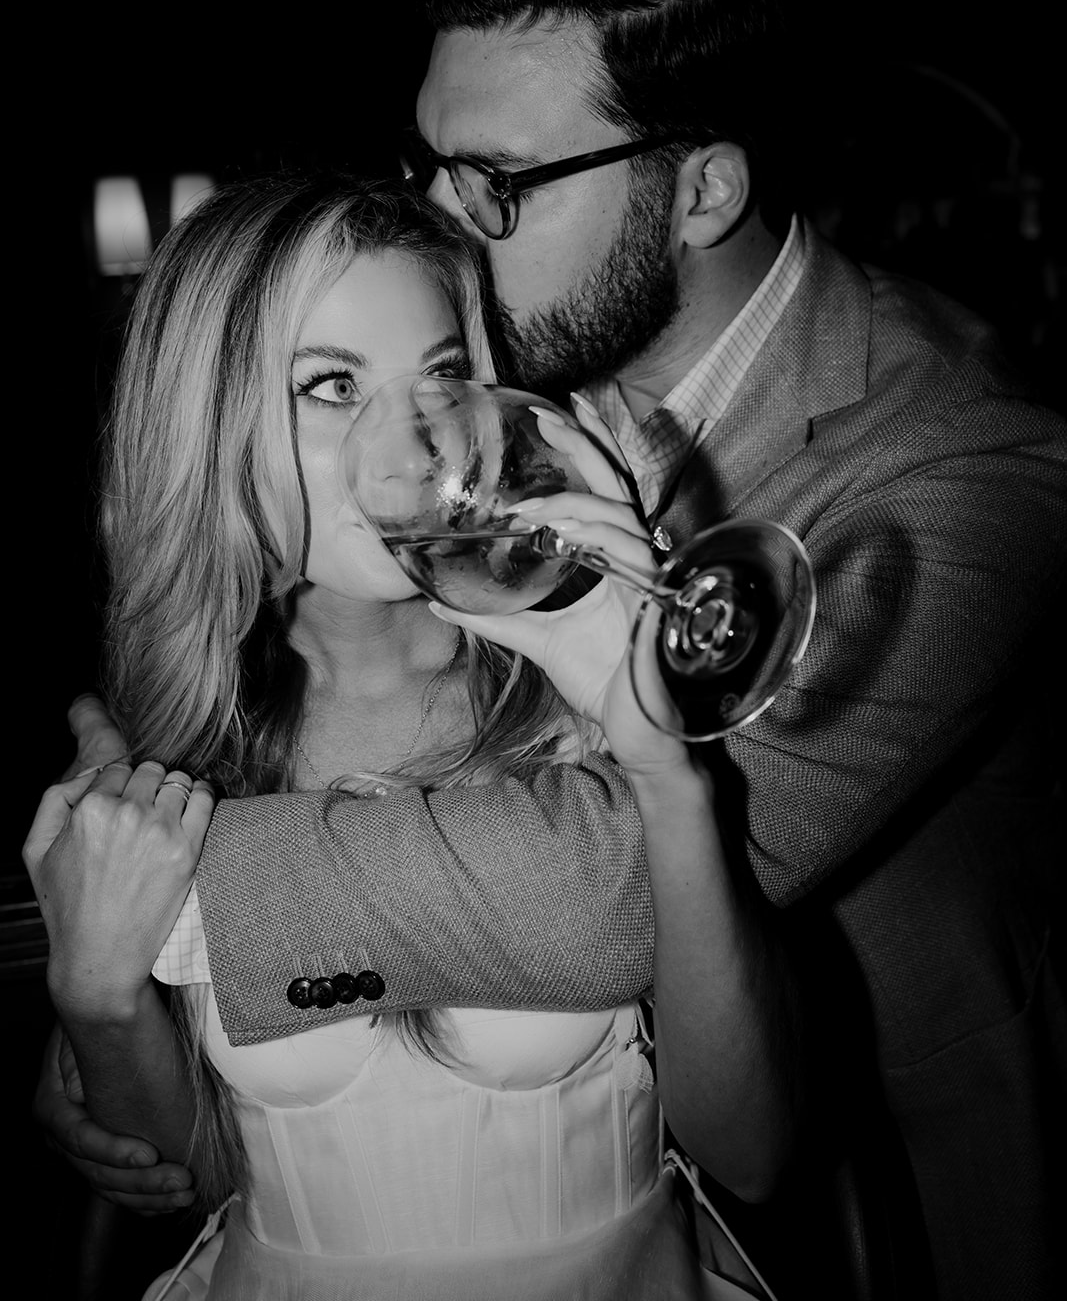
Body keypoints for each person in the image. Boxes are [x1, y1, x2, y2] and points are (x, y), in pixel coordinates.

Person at [43, 0, 1067, 1299]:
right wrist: (114, 1023)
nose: (437, 224)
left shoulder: (976, 467)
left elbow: (599, 888)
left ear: (699, 187)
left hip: (892, 1162)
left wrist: (153, 910)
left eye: (497, 185)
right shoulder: (478, 410)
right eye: (427, 165)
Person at [24, 172, 805, 1299]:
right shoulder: (168, 739)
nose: (413, 445)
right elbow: (197, 1180)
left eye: (442, 378)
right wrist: (94, 997)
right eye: (330, 385)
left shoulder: (571, 683)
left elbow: (755, 1149)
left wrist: (658, 760)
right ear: (207, 417)